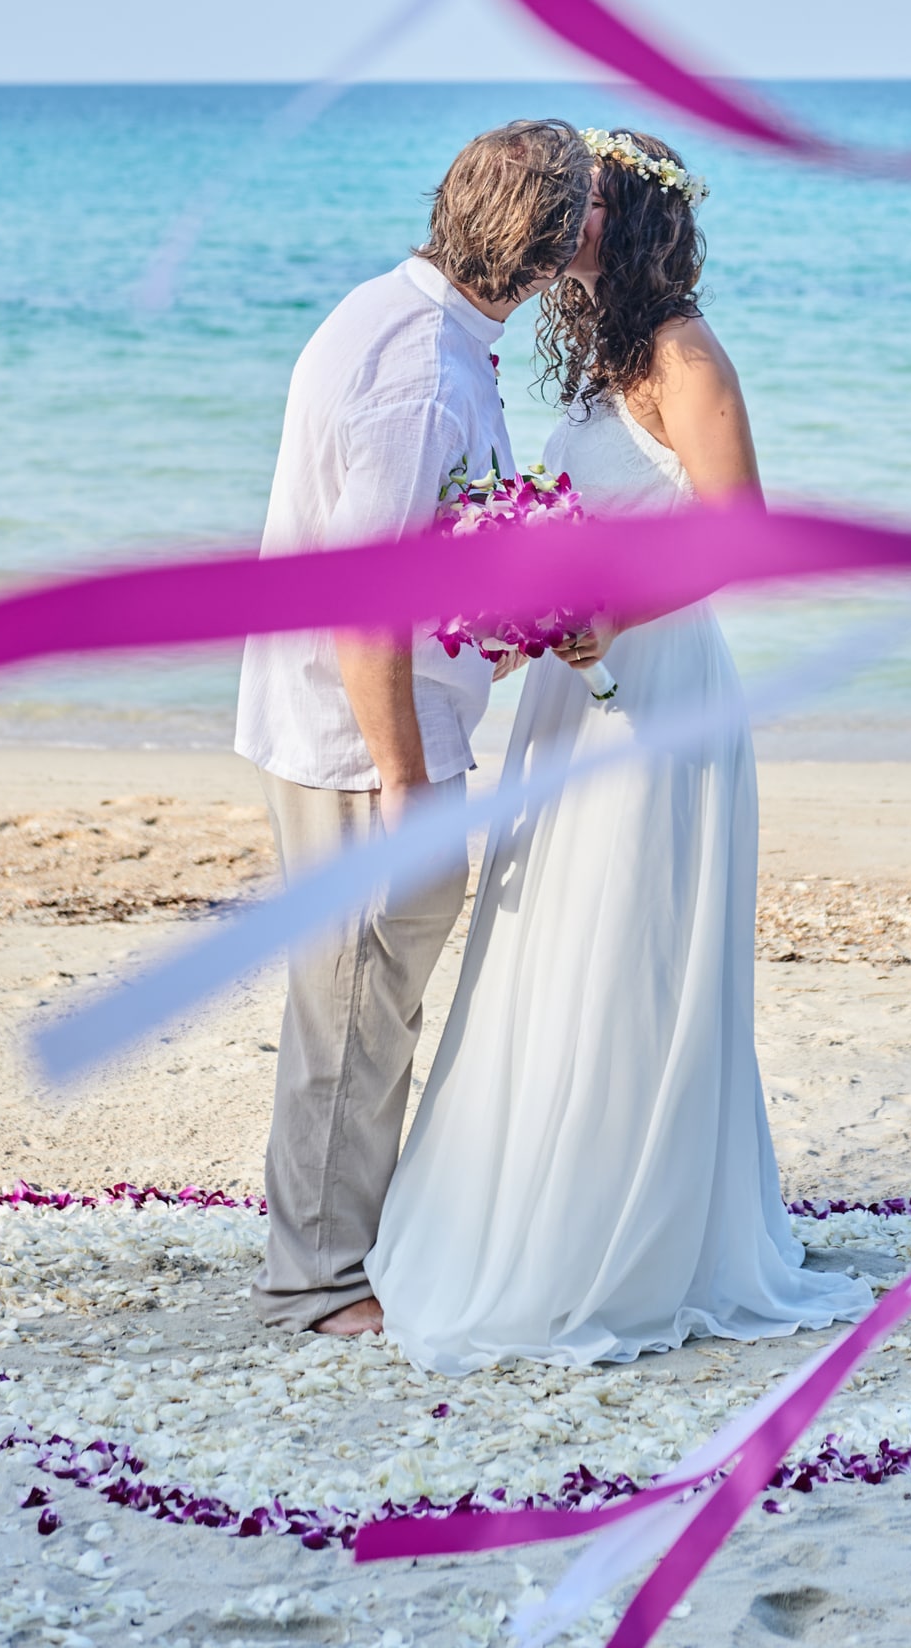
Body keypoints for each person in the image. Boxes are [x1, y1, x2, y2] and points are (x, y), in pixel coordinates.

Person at [367, 126, 867, 1369]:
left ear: (632, 219)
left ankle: (633, 1238)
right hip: (572, 698)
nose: (559, 219)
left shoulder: (685, 352)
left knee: (632, 949)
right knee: (554, 941)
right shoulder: (603, 356)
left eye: (583, 203)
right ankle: (532, 1207)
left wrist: (600, 611)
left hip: (657, 695)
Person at [236, 118, 593, 1335]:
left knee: (364, 995)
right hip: (360, 742)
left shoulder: (419, 323)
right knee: (355, 1000)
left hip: (367, 721)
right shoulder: (420, 372)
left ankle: (348, 1243)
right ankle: (321, 1278)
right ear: (538, 258)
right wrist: (404, 779)